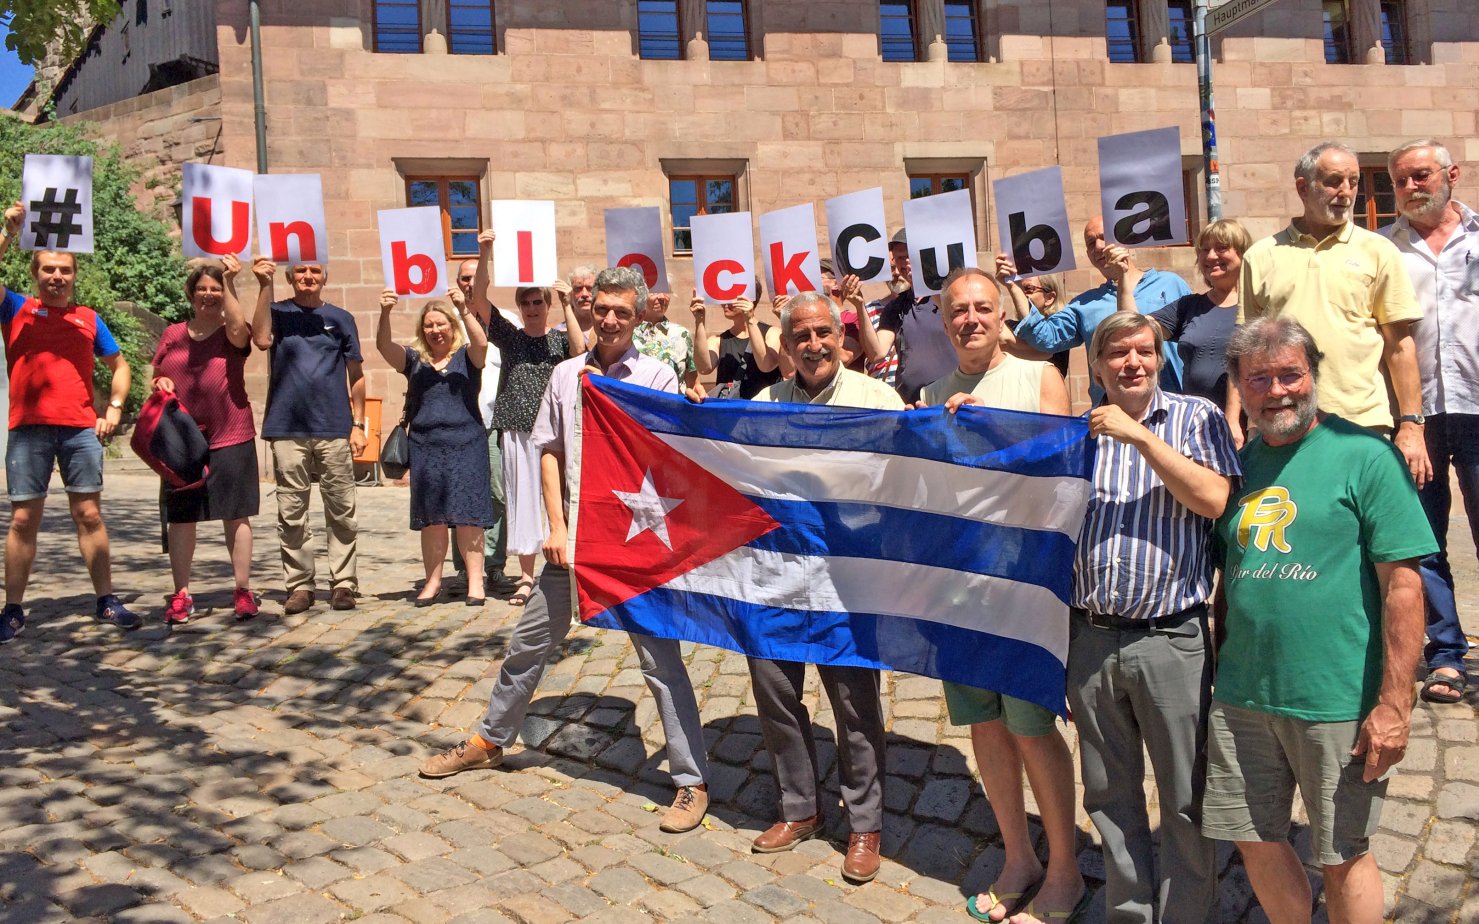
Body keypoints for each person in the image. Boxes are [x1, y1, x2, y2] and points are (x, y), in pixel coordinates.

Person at [418, 266, 712, 836]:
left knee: (659, 661)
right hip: (574, 535)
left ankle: (691, 779)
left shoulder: (656, 376)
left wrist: (692, 407)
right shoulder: (565, 374)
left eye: (621, 312)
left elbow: (674, 452)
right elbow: (549, 451)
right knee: (529, 644)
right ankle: (491, 739)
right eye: (601, 309)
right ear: (589, 308)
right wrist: (556, 525)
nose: (608, 320)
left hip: (634, 539)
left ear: (637, 315)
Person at [1208, 317, 1435, 924]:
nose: (1279, 391)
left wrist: (1394, 703)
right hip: (1242, 693)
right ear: (1239, 387)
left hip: (1337, 698)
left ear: (1313, 376)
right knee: (1251, 834)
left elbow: (1404, 587)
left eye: (1291, 375)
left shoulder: (1364, 455)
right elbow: (1228, 579)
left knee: (1342, 852)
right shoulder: (1237, 466)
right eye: (1261, 379)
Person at [917, 268, 1085, 923]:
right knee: (984, 725)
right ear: (944, 320)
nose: (970, 319)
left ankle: (1065, 868)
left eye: (981, 307)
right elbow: (929, 495)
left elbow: (1061, 474)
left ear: (998, 313)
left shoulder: (1036, 374)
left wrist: (989, 430)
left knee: (1030, 726)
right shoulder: (932, 392)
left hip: (1023, 586)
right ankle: (1019, 857)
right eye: (957, 310)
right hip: (960, 587)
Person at [1070, 312, 1240, 924]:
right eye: (1117, 354)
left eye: (1143, 350)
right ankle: (1131, 912)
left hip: (1171, 639)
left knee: (1186, 796)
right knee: (1109, 795)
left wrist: (1140, 437)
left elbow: (1215, 500)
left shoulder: (1198, 418)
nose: (1131, 363)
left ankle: (1188, 913)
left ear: (1160, 356)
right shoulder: (1078, 433)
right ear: (1097, 366)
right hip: (1090, 637)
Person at [748, 291, 901, 883]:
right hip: (780, 574)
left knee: (855, 703)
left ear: (842, 337)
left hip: (850, 578)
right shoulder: (765, 402)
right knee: (775, 693)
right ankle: (800, 809)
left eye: (822, 333)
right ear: (785, 346)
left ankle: (865, 823)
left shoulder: (876, 399)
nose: (813, 345)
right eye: (801, 336)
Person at [1239, 140, 1429, 484]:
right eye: (1333, 181)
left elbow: (1400, 346)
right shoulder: (1260, 256)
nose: (1345, 192)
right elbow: (1247, 352)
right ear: (1302, 186)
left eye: (1353, 182)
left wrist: (1411, 425)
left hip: (1362, 422)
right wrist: (1247, 422)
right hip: (1284, 420)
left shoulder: (1379, 251)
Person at [0, 203, 140, 641]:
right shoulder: (17, 310)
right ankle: (13, 609)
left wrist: (114, 408)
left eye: (65, 270)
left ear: (75, 275)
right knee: (24, 519)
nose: (57, 276)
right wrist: (8, 232)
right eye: (48, 270)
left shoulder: (89, 319)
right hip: (28, 428)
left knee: (89, 514)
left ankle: (106, 599)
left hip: (80, 429)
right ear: (35, 275)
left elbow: (119, 364)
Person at [1381, 138, 1476, 704]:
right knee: (1424, 537)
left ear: (1451, 175)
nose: (1411, 187)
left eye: (1420, 176)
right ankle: (1445, 654)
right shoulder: (1383, 249)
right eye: (1400, 181)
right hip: (1415, 416)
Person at [468, 230, 585, 606]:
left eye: (538, 301)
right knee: (522, 500)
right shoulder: (511, 337)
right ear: (519, 307)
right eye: (527, 302)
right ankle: (526, 576)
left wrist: (568, 303)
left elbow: (580, 351)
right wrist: (485, 252)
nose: (533, 307)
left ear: (547, 305)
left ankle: (566, 564)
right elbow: (479, 298)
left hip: (555, 430)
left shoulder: (559, 339)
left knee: (561, 496)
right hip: (518, 428)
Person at [251, 256, 366, 615]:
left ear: (325, 277)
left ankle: (344, 582)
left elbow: (356, 374)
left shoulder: (341, 318)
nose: (307, 276)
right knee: (292, 511)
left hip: (334, 426)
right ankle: (300, 585)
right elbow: (260, 338)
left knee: (342, 509)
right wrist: (262, 284)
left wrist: (359, 424)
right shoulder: (277, 312)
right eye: (300, 271)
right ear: (290, 276)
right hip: (288, 426)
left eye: (314, 271)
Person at [150, 254, 260, 624]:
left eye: (215, 289)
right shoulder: (171, 334)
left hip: (231, 434)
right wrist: (159, 383)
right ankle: (181, 595)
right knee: (182, 519)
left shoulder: (233, 330)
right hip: (182, 441)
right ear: (190, 293)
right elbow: (157, 376)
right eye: (202, 289)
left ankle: (243, 590)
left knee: (235, 514)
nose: (208, 295)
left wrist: (231, 281)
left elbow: (242, 333)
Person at [376, 288, 494, 606]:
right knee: (433, 518)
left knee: (469, 516)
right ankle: (432, 582)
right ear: (422, 330)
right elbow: (384, 347)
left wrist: (462, 308)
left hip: (467, 444)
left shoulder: (467, 356)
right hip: (426, 447)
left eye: (441, 324)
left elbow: (482, 345)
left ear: (451, 327)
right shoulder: (415, 360)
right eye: (429, 325)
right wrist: (385, 313)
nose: (435, 330)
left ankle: (475, 583)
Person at [1013, 217, 1190, 401]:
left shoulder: (1171, 284)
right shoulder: (1084, 305)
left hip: (1170, 412)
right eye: (1090, 243)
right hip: (1111, 415)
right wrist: (1014, 286)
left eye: (1104, 237)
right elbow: (1045, 338)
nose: (1098, 246)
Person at [1118, 219, 1251, 439]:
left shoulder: (1256, 305)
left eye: (1221, 248)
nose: (1210, 256)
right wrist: (1123, 278)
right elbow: (1134, 330)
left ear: (1243, 254)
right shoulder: (1189, 306)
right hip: (1195, 425)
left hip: (1242, 428)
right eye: (1204, 250)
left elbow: (1246, 363)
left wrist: (1233, 420)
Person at [453, 256, 513, 596]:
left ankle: (494, 566)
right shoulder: (447, 320)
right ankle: (462, 568)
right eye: (464, 278)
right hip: (458, 423)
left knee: (497, 495)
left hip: (492, 422)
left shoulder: (506, 321)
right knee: (457, 497)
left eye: (475, 278)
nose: (469, 284)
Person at [853, 229, 957, 403]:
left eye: (910, 256)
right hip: (911, 407)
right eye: (900, 258)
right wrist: (859, 304)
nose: (906, 262)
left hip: (952, 402)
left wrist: (926, 282)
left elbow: (952, 312)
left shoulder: (951, 295)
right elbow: (876, 353)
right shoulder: (896, 306)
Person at [693, 290, 781, 399]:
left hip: (763, 411)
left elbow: (766, 365)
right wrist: (699, 321)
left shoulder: (773, 333)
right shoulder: (717, 340)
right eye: (723, 297)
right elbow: (703, 368)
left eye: (731, 297)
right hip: (731, 412)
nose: (725, 303)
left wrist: (750, 319)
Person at [991, 259, 1070, 378]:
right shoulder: (1010, 325)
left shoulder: (1060, 330)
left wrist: (1013, 286)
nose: (1021, 294)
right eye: (1021, 289)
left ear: (1049, 298)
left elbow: (1042, 348)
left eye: (1029, 289)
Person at [634, 286, 699, 390]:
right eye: (654, 292)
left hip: (673, 404)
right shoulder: (627, 333)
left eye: (665, 292)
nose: (661, 297)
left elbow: (693, 383)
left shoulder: (682, 334)